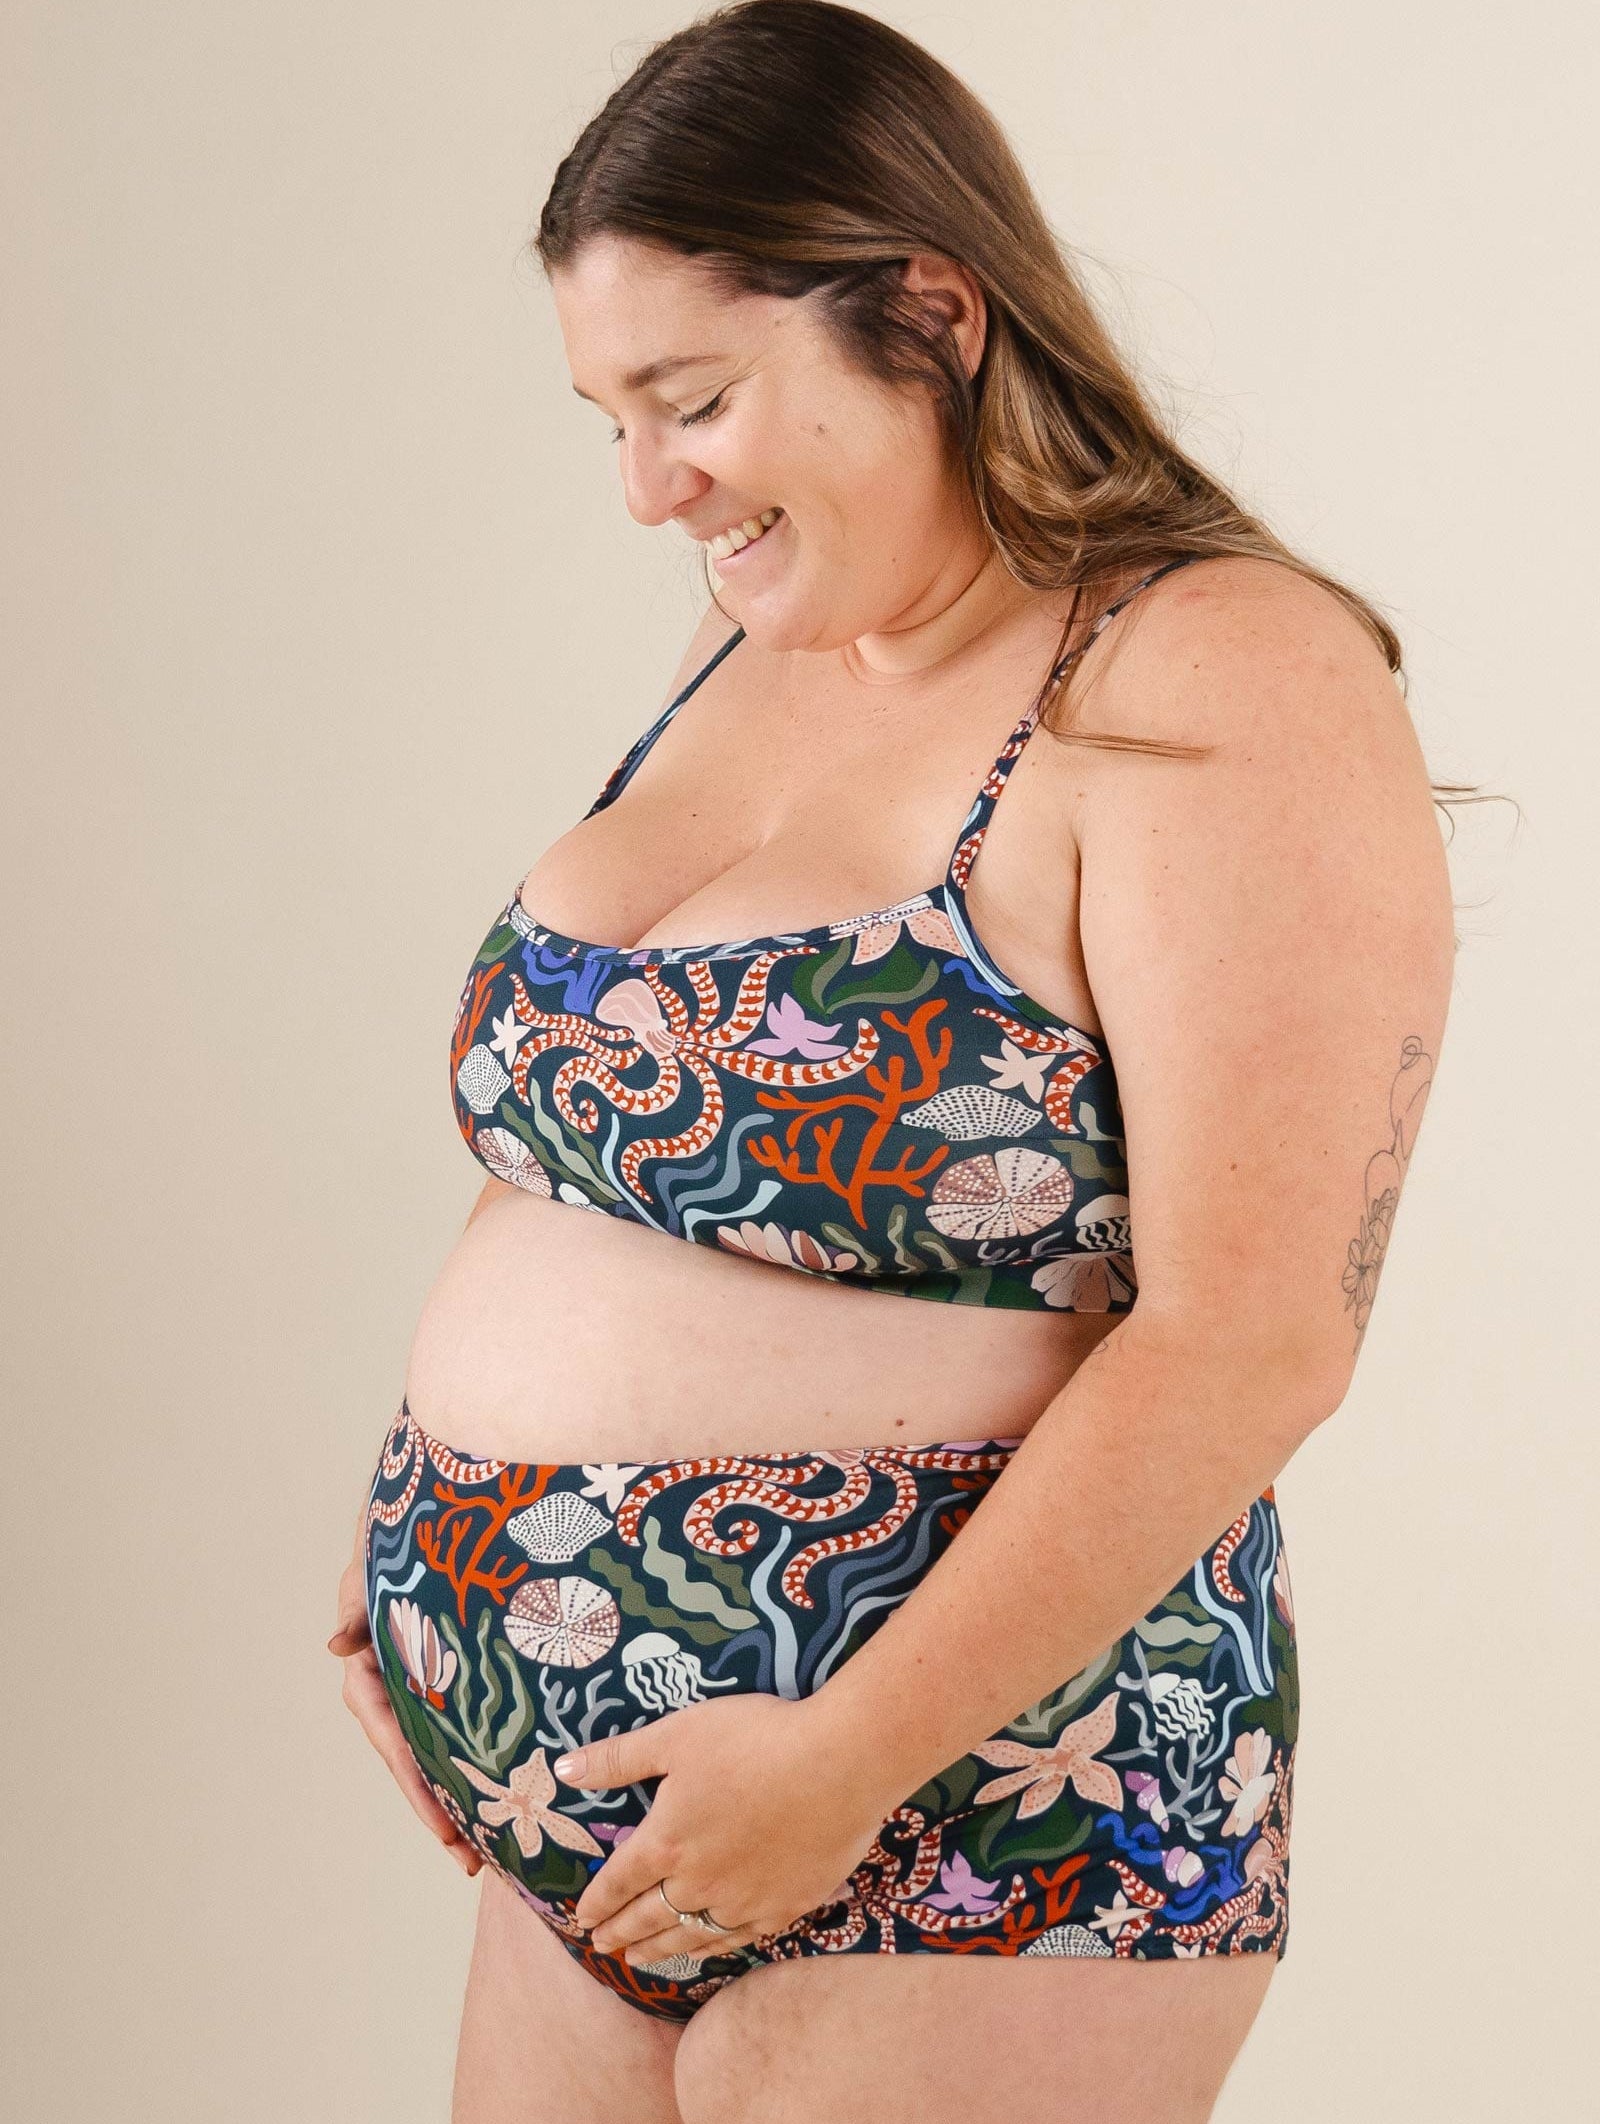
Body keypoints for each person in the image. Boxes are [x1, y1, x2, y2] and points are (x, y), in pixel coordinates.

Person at [328, 5, 1460, 2118]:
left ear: (924, 314)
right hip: (593, 1800)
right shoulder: (752, 640)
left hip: (980, 1826)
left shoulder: (1214, 668)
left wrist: (844, 1761)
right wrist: (422, 1569)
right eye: (608, 416)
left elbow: (1250, 1343)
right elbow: (591, 1143)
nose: (648, 486)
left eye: (692, 400)